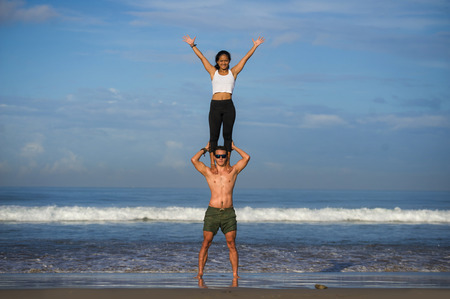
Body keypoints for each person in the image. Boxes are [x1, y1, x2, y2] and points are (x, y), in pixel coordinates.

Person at [183, 35, 264, 173]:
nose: (224, 63)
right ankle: (213, 164)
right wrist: (192, 45)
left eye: (226, 61)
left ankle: (228, 163)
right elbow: (202, 58)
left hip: (228, 106)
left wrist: (255, 46)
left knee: (228, 136)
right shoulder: (213, 72)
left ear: (229, 61)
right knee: (213, 136)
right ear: (217, 61)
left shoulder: (233, 73)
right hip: (215, 105)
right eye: (221, 61)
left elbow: (245, 58)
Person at [191, 141, 250, 279]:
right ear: (215, 157)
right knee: (206, 243)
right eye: (218, 156)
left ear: (227, 156)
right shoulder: (209, 171)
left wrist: (234, 147)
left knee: (231, 244)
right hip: (213, 212)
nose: (221, 158)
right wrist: (205, 149)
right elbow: (194, 160)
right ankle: (200, 273)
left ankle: (235, 275)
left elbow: (246, 157)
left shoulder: (233, 171)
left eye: (223, 156)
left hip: (228, 213)